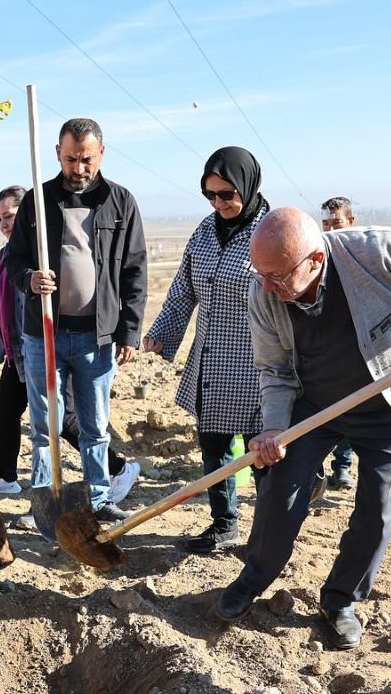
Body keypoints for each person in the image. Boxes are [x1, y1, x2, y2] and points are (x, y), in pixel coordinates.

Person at [214, 207, 391, 651]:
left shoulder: (372, 252)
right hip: (313, 402)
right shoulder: (263, 289)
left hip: (389, 405)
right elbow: (275, 369)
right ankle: (254, 576)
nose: (266, 287)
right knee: (279, 490)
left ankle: (340, 599)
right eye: (261, 274)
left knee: (377, 510)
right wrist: (274, 430)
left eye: (278, 276)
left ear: (315, 260)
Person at [3, 118, 147, 524]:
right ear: (57, 154)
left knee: (95, 426)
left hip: (97, 337)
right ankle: (46, 504)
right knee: (44, 426)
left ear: (100, 154)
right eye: (71, 159)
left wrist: (129, 331)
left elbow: (134, 270)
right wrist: (29, 278)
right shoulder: (37, 200)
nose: (78, 168)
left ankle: (99, 499)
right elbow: (13, 258)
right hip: (43, 334)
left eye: (86, 159)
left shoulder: (121, 201)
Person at [142, 146, 268, 553]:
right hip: (210, 361)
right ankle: (224, 523)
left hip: (256, 365)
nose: (220, 203)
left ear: (248, 187)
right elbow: (183, 289)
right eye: (211, 196)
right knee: (213, 448)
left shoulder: (271, 231)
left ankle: (267, 534)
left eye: (228, 194)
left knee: (262, 455)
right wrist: (162, 332)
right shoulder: (204, 231)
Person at [0, 185, 139, 502]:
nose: (4, 225)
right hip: (20, 350)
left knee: (65, 420)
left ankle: (119, 469)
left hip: (51, 347)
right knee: (5, 409)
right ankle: (4, 475)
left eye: (10, 216)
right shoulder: (9, 255)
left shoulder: (46, 251)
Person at [317, 196, 357, 491]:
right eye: (326, 224)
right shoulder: (316, 258)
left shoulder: (362, 256)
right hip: (322, 349)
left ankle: (342, 466)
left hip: (355, 350)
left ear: (351, 223)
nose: (331, 230)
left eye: (337, 223)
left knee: (350, 410)